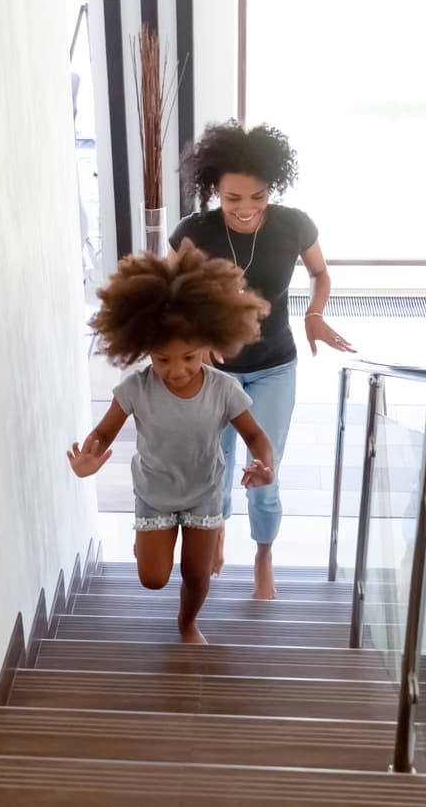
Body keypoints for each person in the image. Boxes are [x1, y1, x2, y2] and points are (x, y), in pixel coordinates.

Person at [170, 120, 354, 599]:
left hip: (275, 365)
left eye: (258, 196)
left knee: (263, 469)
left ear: (273, 187)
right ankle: (219, 531)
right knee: (216, 466)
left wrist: (315, 313)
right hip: (212, 373)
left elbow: (320, 273)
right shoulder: (193, 232)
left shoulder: (294, 225)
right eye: (233, 199)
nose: (247, 208)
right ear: (214, 191)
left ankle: (264, 554)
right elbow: (165, 293)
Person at [67, 247, 276, 644]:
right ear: (142, 348)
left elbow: (255, 436)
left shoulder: (224, 389)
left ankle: (187, 624)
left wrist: (264, 464)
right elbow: (105, 433)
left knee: (197, 574)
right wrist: (89, 457)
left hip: (204, 492)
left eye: (189, 357)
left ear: (211, 342)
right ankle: (149, 546)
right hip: (155, 493)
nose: (176, 370)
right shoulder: (135, 388)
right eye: (162, 360)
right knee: (152, 579)